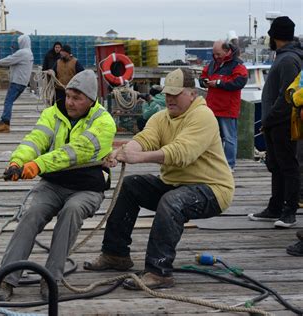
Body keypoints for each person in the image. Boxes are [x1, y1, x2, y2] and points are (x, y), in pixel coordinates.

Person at [83, 68, 234, 290]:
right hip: (175, 185)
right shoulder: (160, 117)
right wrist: (126, 151)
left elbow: (182, 153)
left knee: (172, 202)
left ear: (192, 94)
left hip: (212, 189)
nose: (170, 98)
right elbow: (145, 138)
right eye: (168, 94)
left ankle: (159, 271)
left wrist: (140, 157)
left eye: (176, 94)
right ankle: (115, 254)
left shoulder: (203, 116)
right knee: (130, 185)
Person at [0, 70, 116, 300]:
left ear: (91, 101)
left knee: (71, 212)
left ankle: (51, 278)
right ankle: (7, 279)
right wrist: (18, 161)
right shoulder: (52, 114)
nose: (69, 102)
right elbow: (35, 139)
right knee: (31, 212)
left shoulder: (104, 122)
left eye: (76, 98)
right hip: (53, 184)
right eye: (68, 96)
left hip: (87, 188)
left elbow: (74, 153)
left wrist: (37, 166)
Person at [248, 16, 302, 228]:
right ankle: (275, 208)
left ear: (274, 37)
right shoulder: (283, 57)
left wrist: (268, 119)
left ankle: (289, 212)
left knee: (288, 167)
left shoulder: (288, 60)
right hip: (274, 123)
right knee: (277, 166)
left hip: (283, 122)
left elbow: (287, 96)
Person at [200, 40, 248, 171]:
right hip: (212, 107)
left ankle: (229, 165)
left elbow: (239, 83)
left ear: (227, 51)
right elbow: (203, 76)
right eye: (214, 54)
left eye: (218, 54)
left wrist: (218, 83)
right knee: (214, 137)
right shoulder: (212, 64)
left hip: (227, 108)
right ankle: (216, 164)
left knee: (229, 138)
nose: (216, 56)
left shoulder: (237, 65)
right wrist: (204, 82)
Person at [0, 35, 34, 133]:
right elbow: (13, 62)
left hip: (17, 82)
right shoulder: (29, 53)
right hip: (23, 83)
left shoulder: (22, 53)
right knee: (9, 102)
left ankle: (5, 124)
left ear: (22, 42)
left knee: (8, 102)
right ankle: (2, 122)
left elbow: (8, 60)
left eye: (19, 42)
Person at [49, 44, 84, 109]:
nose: (60, 53)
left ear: (67, 53)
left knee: (69, 108)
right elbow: (53, 71)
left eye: (62, 51)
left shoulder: (75, 62)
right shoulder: (58, 62)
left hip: (71, 90)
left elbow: (82, 74)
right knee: (57, 108)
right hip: (59, 90)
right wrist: (50, 72)